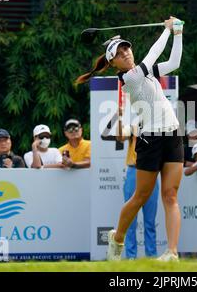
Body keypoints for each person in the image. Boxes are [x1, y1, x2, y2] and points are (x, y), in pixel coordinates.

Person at [76, 16, 184, 261]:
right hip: (149, 140)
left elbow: (174, 61)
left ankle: (172, 252)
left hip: (173, 135)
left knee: (171, 195)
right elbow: (154, 55)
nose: (125, 52)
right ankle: (117, 239)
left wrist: (178, 33)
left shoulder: (147, 73)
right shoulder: (129, 78)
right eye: (119, 52)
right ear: (113, 62)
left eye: (127, 48)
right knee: (140, 196)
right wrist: (167, 30)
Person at [117, 121, 159, 259]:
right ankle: (131, 257)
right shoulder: (134, 126)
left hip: (151, 171)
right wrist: (120, 118)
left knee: (150, 220)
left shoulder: (159, 128)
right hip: (134, 171)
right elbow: (120, 137)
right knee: (130, 219)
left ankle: (151, 256)